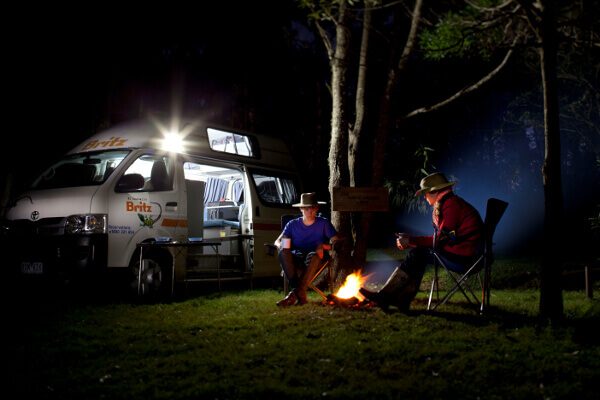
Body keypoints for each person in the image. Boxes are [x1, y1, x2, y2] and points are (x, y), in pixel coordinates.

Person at [359, 172, 483, 311]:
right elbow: (441, 238)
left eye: (426, 193)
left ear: (435, 191)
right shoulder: (450, 203)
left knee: (418, 254)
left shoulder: (451, 205)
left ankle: (388, 296)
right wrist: (410, 240)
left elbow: (440, 240)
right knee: (418, 255)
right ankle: (399, 299)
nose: (424, 196)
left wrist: (410, 241)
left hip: (466, 257)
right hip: (465, 252)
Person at [274, 192, 339, 306]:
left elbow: (336, 242)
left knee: (314, 255)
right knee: (283, 252)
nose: (309, 212)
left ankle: (293, 295)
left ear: (317, 208)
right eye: (306, 209)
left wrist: (323, 246)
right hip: (297, 257)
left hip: (316, 256)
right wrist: (280, 245)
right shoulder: (292, 224)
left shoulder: (323, 223)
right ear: (301, 209)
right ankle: (299, 292)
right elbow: (277, 241)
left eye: (312, 208)